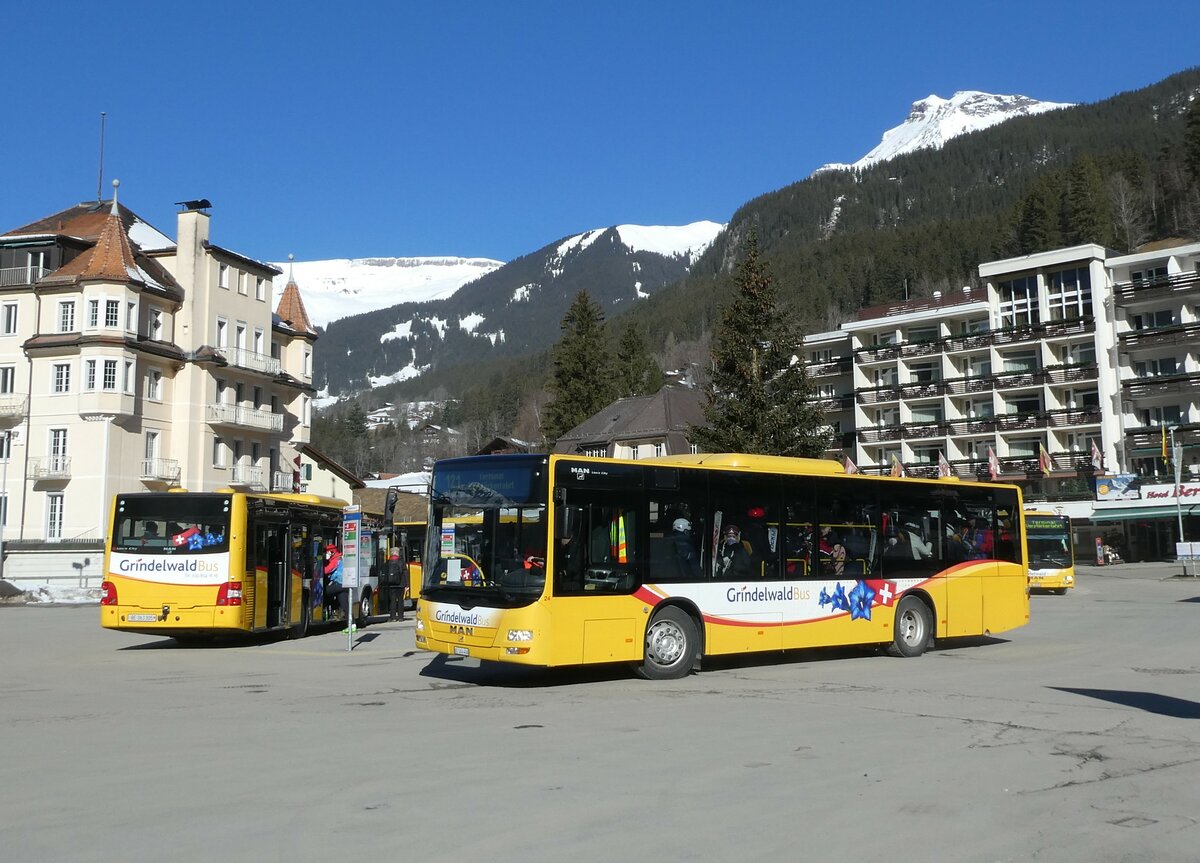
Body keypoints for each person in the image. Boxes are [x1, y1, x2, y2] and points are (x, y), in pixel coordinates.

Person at [323, 543, 350, 625]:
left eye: (327, 552)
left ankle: (328, 610)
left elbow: (326, 570)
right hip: (345, 584)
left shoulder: (335, 560)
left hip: (339, 584)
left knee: (324, 591)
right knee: (345, 604)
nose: (326, 554)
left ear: (332, 552)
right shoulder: (340, 558)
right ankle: (352, 625)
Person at [387, 548, 408, 622]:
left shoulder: (388, 562)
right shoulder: (401, 561)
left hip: (391, 585)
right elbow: (405, 573)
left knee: (392, 601)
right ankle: (400, 617)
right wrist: (407, 585)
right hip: (401, 584)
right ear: (397, 553)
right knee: (400, 601)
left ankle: (392, 617)